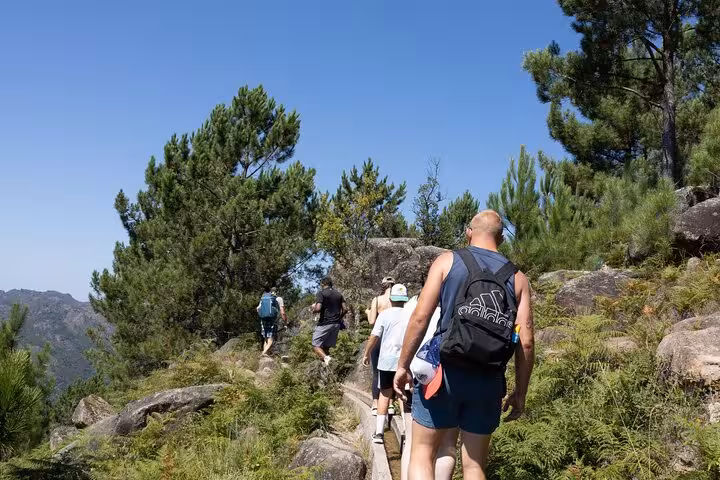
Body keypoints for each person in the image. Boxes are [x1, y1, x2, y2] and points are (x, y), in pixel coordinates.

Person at [394, 210, 535, 480]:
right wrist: (521, 392)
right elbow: (525, 342)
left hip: (443, 374)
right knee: (474, 466)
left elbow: (421, 317)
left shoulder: (448, 261)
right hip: (488, 379)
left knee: (423, 453)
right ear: (502, 238)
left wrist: (403, 365)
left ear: (469, 232)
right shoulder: (518, 279)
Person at [362, 283, 409, 445]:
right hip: (405, 361)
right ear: (405, 299)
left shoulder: (385, 315)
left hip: (387, 361)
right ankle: (406, 431)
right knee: (403, 394)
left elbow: (374, 336)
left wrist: (367, 353)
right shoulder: (411, 314)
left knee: (385, 394)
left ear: (391, 299)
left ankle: (380, 433)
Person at [365, 276, 395, 415]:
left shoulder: (377, 300)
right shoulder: (398, 300)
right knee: (393, 370)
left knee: (377, 371)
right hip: (393, 338)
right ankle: (390, 404)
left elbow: (372, 321)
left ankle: (376, 403)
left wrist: (367, 312)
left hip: (379, 338)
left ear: (382, 286)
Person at [310, 277, 348, 366]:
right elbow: (345, 309)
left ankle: (327, 359)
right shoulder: (339, 294)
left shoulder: (321, 293)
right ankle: (328, 367)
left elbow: (318, 308)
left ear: (322, 284)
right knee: (326, 347)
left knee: (316, 345)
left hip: (325, 323)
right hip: (336, 324)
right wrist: (339, 317)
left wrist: (313, 309)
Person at [257, 285, 280, 356]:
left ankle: (265, 354)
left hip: (263, 319)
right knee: (271, 339)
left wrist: (261, 315)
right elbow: (280, 310)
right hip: (271, 319)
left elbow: (257, 309)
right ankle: (263, 353)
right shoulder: (275, 298)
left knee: (266, 338)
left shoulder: (263, 298)